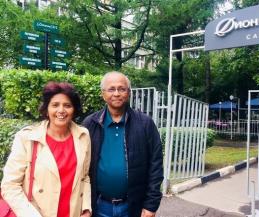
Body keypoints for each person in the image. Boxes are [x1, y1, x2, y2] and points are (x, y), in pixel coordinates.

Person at [1, 82, 92, 217]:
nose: (61, 110)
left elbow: (85, 177)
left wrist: (86, 209)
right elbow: (10, 185)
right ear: (46, 109)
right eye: (55, 105)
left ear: (74, 110)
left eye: (67, 105)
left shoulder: (83, 136)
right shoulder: (28, 138)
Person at [82, 71, 163, 217]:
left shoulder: (145, 124)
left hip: (133, 207)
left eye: (122, 89)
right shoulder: (90, 124)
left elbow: (156, 166)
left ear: (129, 92)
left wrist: (151, 205)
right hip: (99, 206)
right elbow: (82, 169)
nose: (117, 93)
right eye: (111, 89)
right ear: (103, 94)